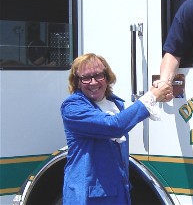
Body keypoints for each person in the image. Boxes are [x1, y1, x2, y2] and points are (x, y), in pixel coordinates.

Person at [60, 53, 172, 205]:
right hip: (87, 197)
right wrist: (151, 97)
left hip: (117, 192)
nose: (93, 82)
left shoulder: (116, 104)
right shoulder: (72, 107)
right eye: (86, 78)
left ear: (107, 77)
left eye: (98, 75)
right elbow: (113, 126)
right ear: (78, 82)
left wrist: (159, 93)